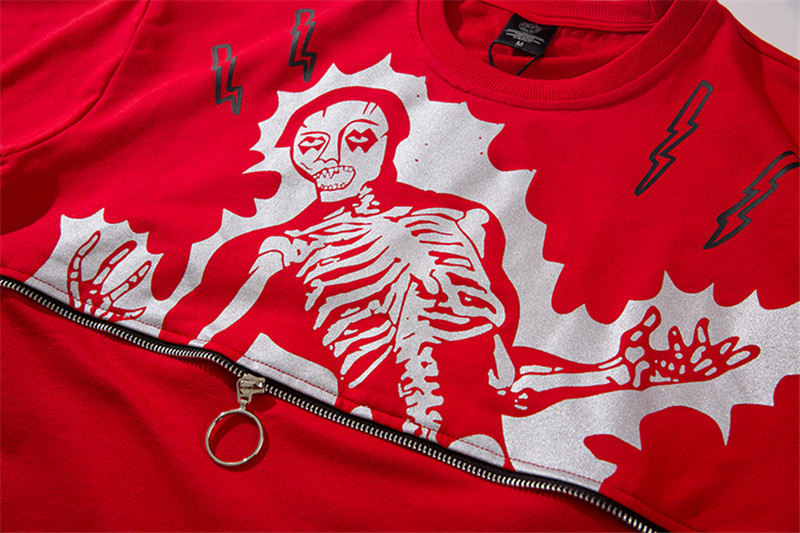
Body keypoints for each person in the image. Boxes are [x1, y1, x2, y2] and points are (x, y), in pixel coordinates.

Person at [71, 86, 759, 465]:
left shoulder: (466, 224)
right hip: (337, 440)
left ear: (390, 145)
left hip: (483, 458)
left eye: (357, 139)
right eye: (314, 142)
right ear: (296, 156)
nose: (334, 157)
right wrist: (114, 314)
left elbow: (502, 378)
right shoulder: (281, 246)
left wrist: (617, 372)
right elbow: (204, 335)